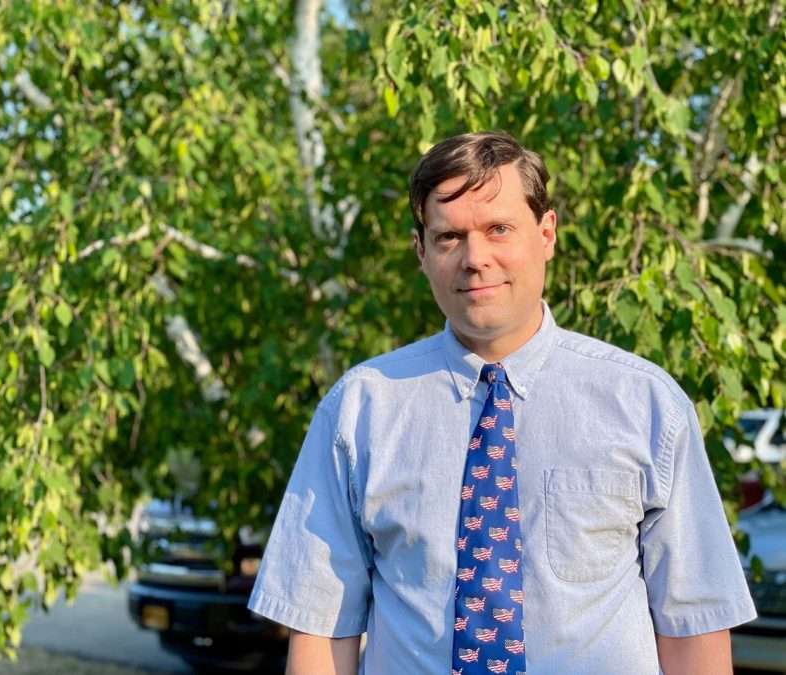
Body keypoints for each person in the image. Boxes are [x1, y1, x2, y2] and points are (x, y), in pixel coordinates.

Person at [247, 131, 756, 674]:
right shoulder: (359, 411)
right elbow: (321, 627)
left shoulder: (647, 407)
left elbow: (694, 627)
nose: (475, 258)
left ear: (546, 233)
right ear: (421, 252)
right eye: (449, 238)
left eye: (499, 229)